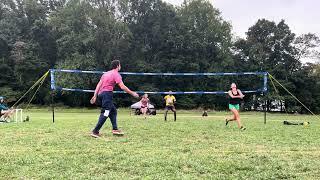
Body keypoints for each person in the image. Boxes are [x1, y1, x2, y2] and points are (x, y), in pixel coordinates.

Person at [90, 60, 139, 138]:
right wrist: (132, 93)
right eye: (120, 65)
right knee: (105, 112)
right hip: (107, 94)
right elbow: (122, 87)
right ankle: (95, 131)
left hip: (101, 94)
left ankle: (115, 129)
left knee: (113, 111)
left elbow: (98, 85)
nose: (120, 66)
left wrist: (95, 95)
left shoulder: (106, 74)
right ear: (117, 66)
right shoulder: (116, 74)